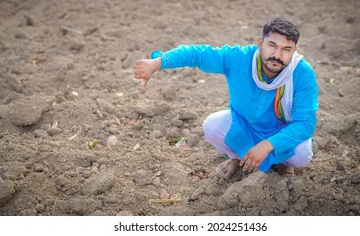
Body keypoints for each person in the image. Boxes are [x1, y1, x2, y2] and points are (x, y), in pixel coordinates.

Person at [133, 17, 318, 179]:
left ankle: (284, 163)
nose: (277, 55)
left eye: (286, 49)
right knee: (212, 126)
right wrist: (158, 63)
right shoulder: (239, 58)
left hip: (280, 131)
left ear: (294, 51)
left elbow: (305, 124)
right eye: (272, 46)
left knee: (301, 155)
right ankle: (237, 158)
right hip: (245, 126)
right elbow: (197, 54)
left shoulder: (302, 73)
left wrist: (267, 145)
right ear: (260, 42)